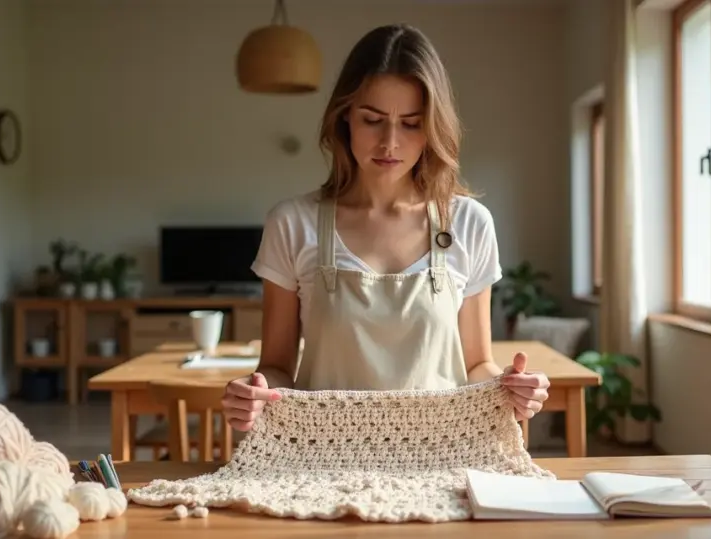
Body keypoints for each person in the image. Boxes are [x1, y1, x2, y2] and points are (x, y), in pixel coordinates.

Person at [222, 23, 549, 432]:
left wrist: (509, 387)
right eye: (373, 119)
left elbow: (476, 364)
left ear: (432, 127)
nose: (390, 142)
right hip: (320, 456)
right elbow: (276, 367)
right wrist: (253, 393)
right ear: (345, 119)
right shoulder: (292, 223)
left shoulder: (469, 223)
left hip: (440, 454)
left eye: (411, 123)